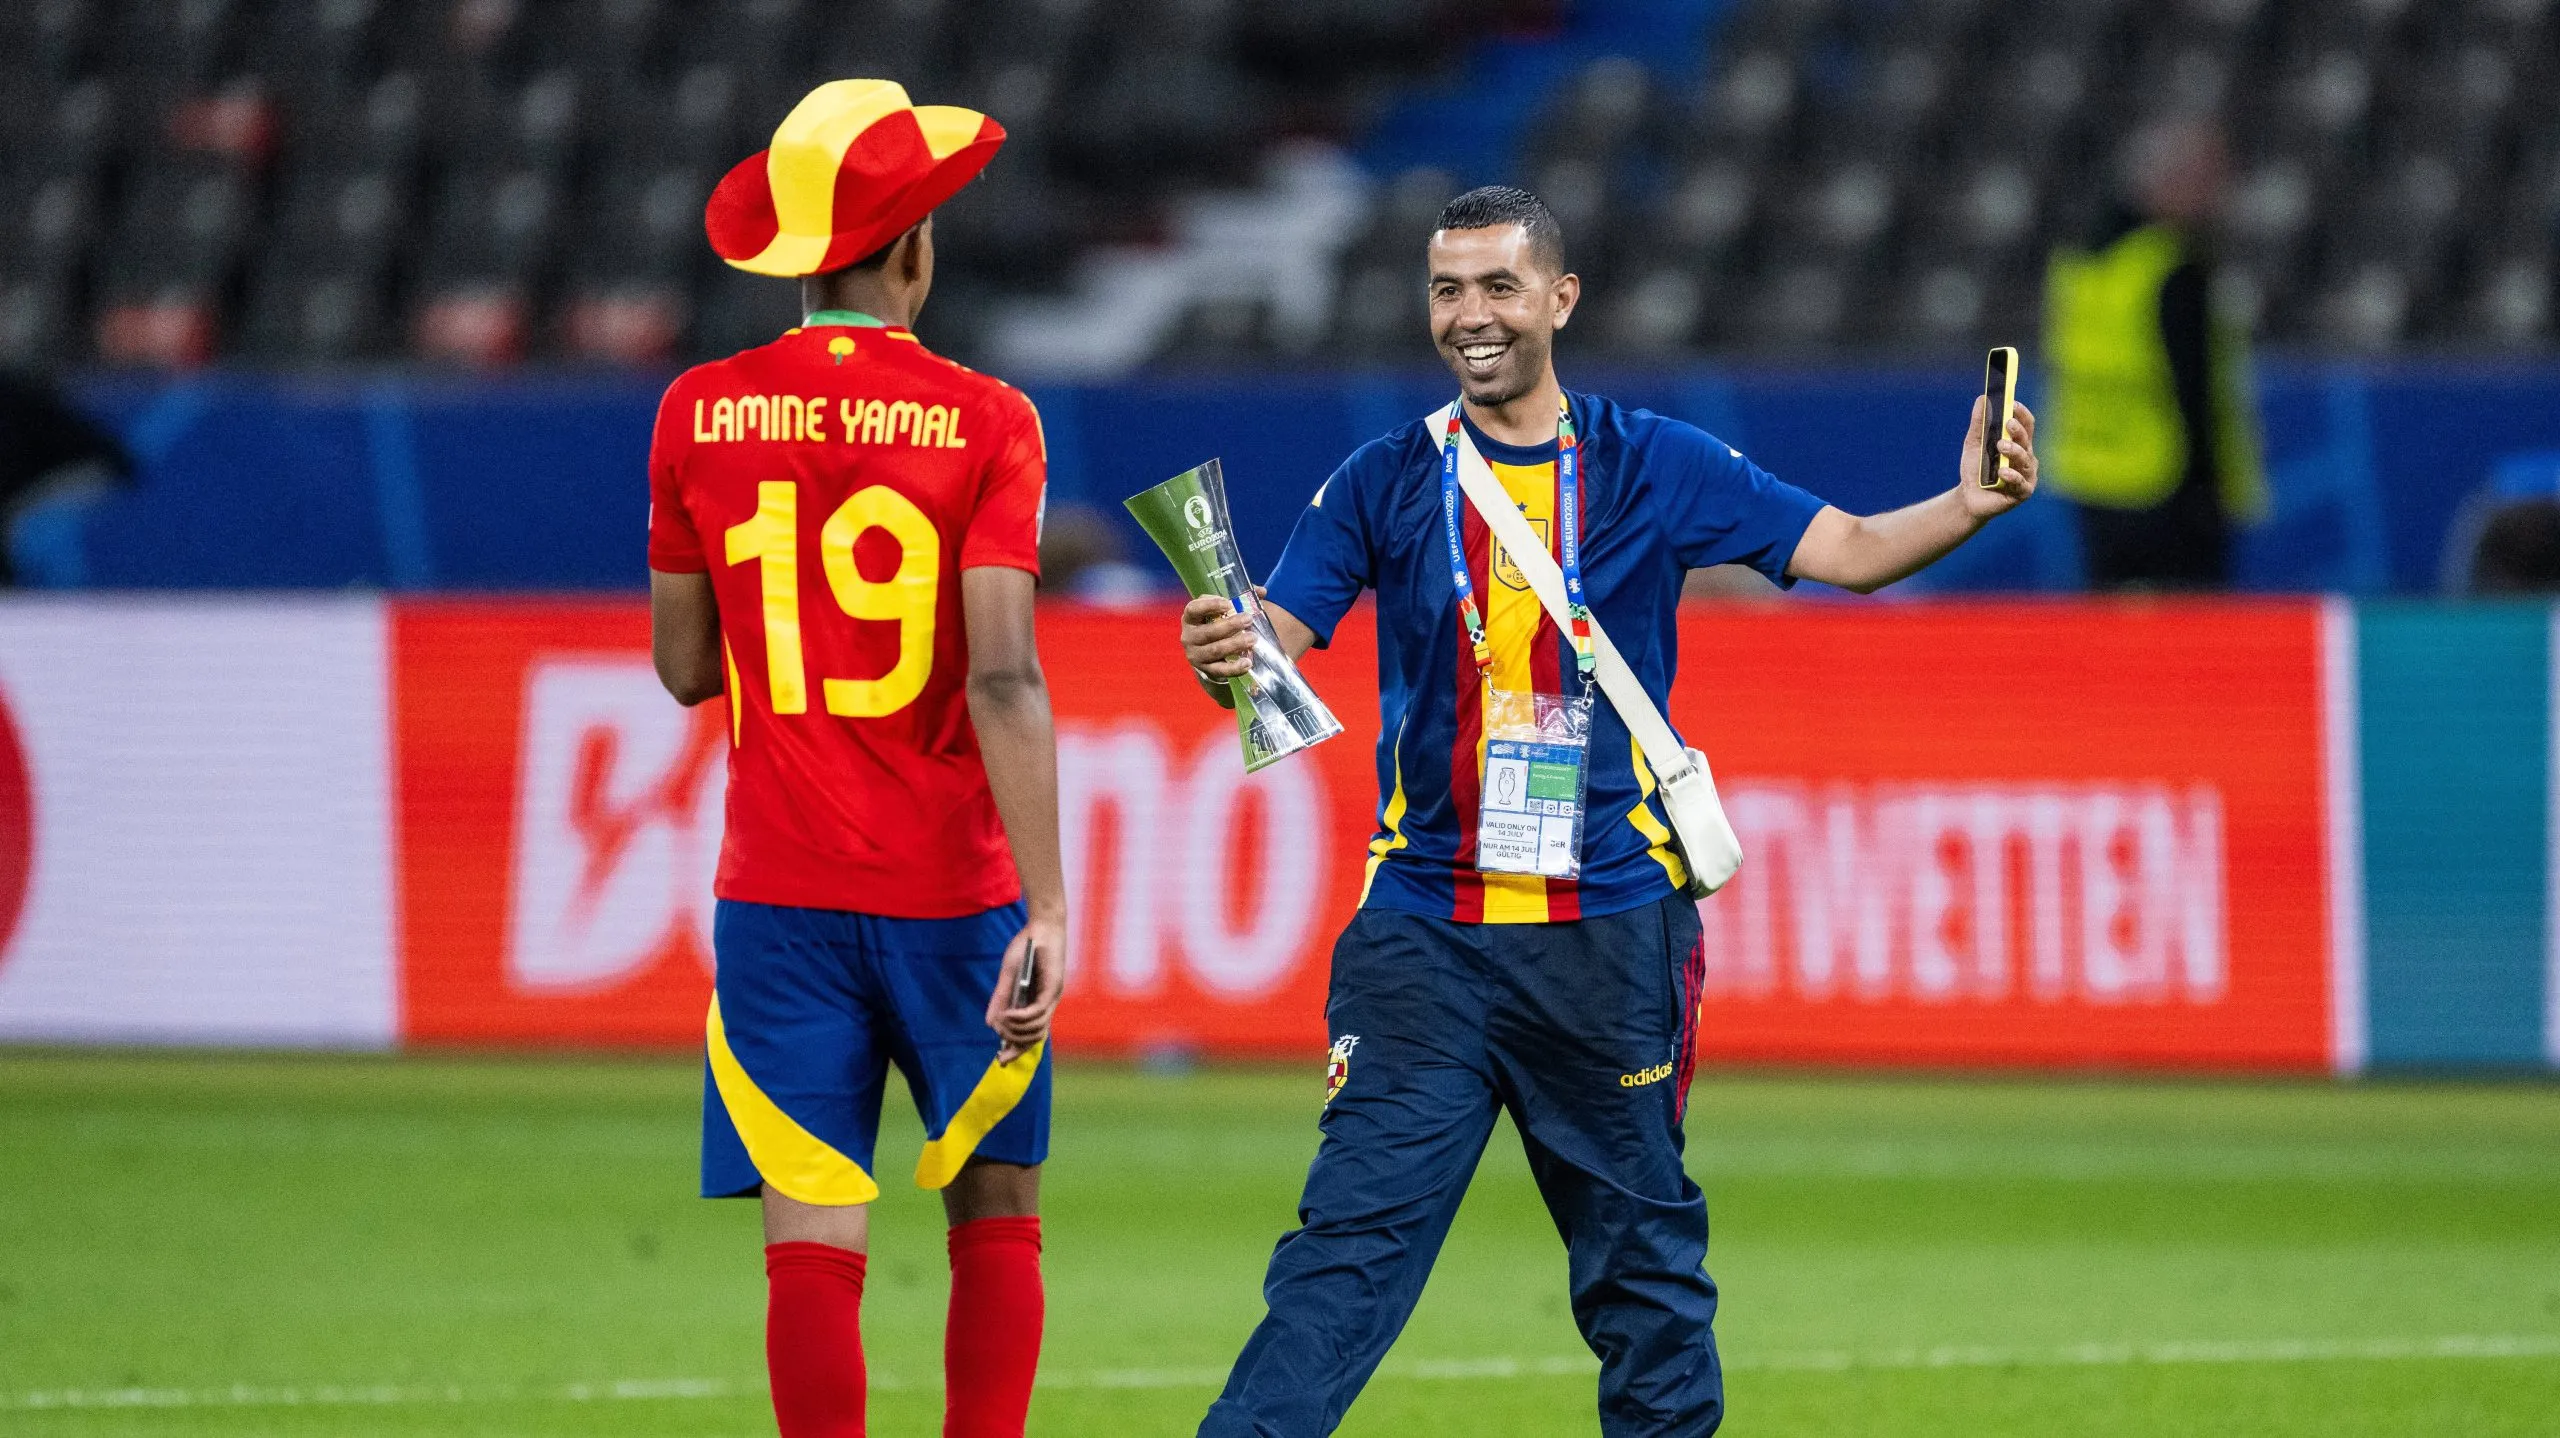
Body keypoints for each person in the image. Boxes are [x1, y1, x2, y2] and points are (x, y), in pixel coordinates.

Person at [1177, 185, 2038, 1437]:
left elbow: (1843, 548)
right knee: (1343, 1255)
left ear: (1559, 300)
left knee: (1642, 1279)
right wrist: (1225, 646)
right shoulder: (1380, 479)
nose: (1469, 316)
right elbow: (1280, 640)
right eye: (1446, 290)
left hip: (1608, 937)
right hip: (1425, 935)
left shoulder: (1653, 462)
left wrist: (1966, 504)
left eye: (1497, 287)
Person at [646, 79, 1066, 1438]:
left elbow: (685, 667)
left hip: (778, 891)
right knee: (995, 1218)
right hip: (955, 890)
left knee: (809, 1245)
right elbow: (1002, 670)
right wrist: (1051, 906)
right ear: (914, 249)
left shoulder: (698, 409)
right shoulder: (990, 418)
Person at [2041, 116, 2265, 588]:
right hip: (2166, 483)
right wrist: (2208, 489)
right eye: (2208, 179)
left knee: (2113, 641)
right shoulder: (2170, 267)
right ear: (2172, 180)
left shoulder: (2080, 260)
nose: (2218, 195)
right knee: (2190, 645)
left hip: (2091, 477)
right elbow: (2193, 385)